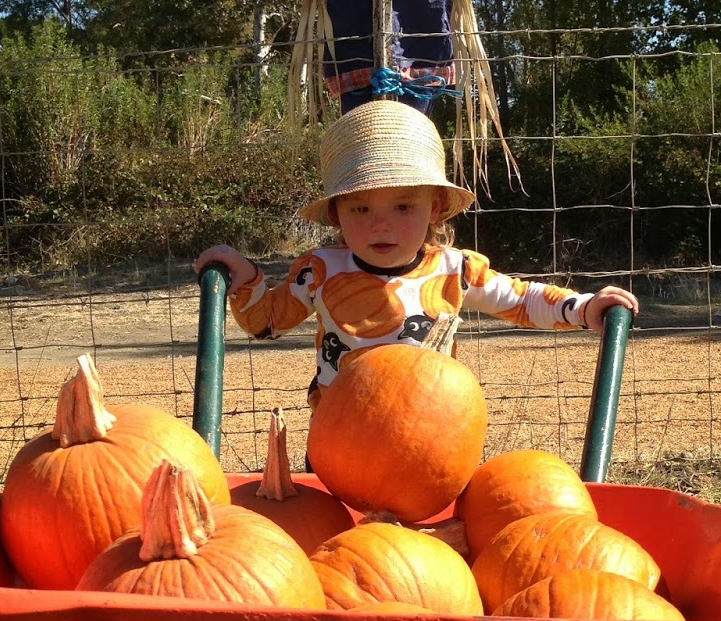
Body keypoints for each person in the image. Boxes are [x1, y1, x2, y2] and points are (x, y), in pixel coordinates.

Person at [194, 101, 639, 408]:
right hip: (338, 436)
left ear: (436, 208)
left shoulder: (454, 270)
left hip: (429, 436)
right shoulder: (320, 270)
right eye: (361, 207)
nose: (380, 223)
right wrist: (246, 277)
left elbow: (522, 300)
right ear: (336, 213)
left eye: (403, 206)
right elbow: (267, 321)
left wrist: (584, 308)